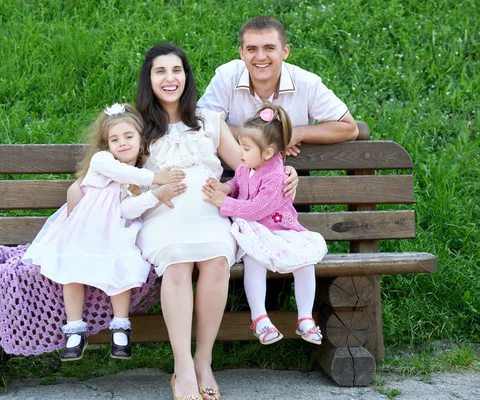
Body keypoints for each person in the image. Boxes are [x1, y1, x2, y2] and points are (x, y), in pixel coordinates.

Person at [134, 43, 298, 400]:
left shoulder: (209, 120)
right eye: (160, 71)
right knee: (177, 265)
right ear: (149, 79)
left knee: (217, 260)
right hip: (164, 215)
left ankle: (203, 359)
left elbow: (248, 163)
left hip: (211, 213)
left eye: (177, 70)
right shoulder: (137, 125)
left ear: (187, 77)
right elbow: (121, 174)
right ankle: (182, 368)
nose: (170, 78)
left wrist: (287, 171)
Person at [22, 103, 186, 362]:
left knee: (123, 263)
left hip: (116, 233)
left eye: (128, 137)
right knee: (71, 270)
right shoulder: (103, 162)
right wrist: (156, 180)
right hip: (84, 232)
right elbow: (121, 172)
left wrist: (154, 194)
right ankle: (75, 329)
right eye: (114, 139)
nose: (122, 143)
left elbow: (128, 211)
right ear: (105, 144)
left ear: (141, 139)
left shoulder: (140, 178)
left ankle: (120, 325)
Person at [202, 103, 327, 346]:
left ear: (268, 153)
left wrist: (223, 202)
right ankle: (259, 317)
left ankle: (305, 318)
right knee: (253, 259)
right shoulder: (248, 165)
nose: (240, 152)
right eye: (240, 145)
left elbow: (256, 209)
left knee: (305, 261)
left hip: (280, 230)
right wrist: (225, 188)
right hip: (256, 232)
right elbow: (238, 182)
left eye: (245, 148)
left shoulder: (276, 177)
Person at [197, 15, 358, 157]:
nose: (260, 57)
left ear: (285, 51)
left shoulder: (306, 84)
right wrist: (260, 137)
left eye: (269, 48)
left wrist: (296, 133)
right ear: (242, 53)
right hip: (235, 167)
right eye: (252, 49)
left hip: (291, 169)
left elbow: (350, 128)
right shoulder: (227, 77)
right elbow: (202, 122)